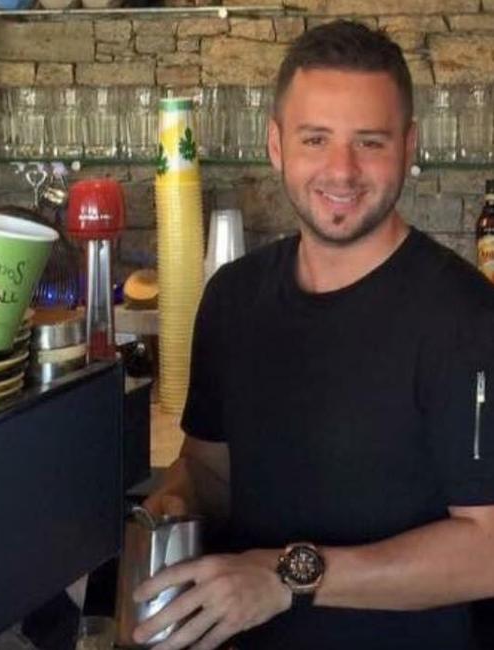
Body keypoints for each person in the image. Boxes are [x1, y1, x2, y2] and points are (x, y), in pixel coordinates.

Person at [131, 19, 494, 650]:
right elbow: (212, 472)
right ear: (276, 145)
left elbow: (487, 548)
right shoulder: (233, 298)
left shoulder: (465, 320)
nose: (342, 170)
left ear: (409, 147)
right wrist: (177, 498)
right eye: (316, 138)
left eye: (370, 142)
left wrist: (286, 577)